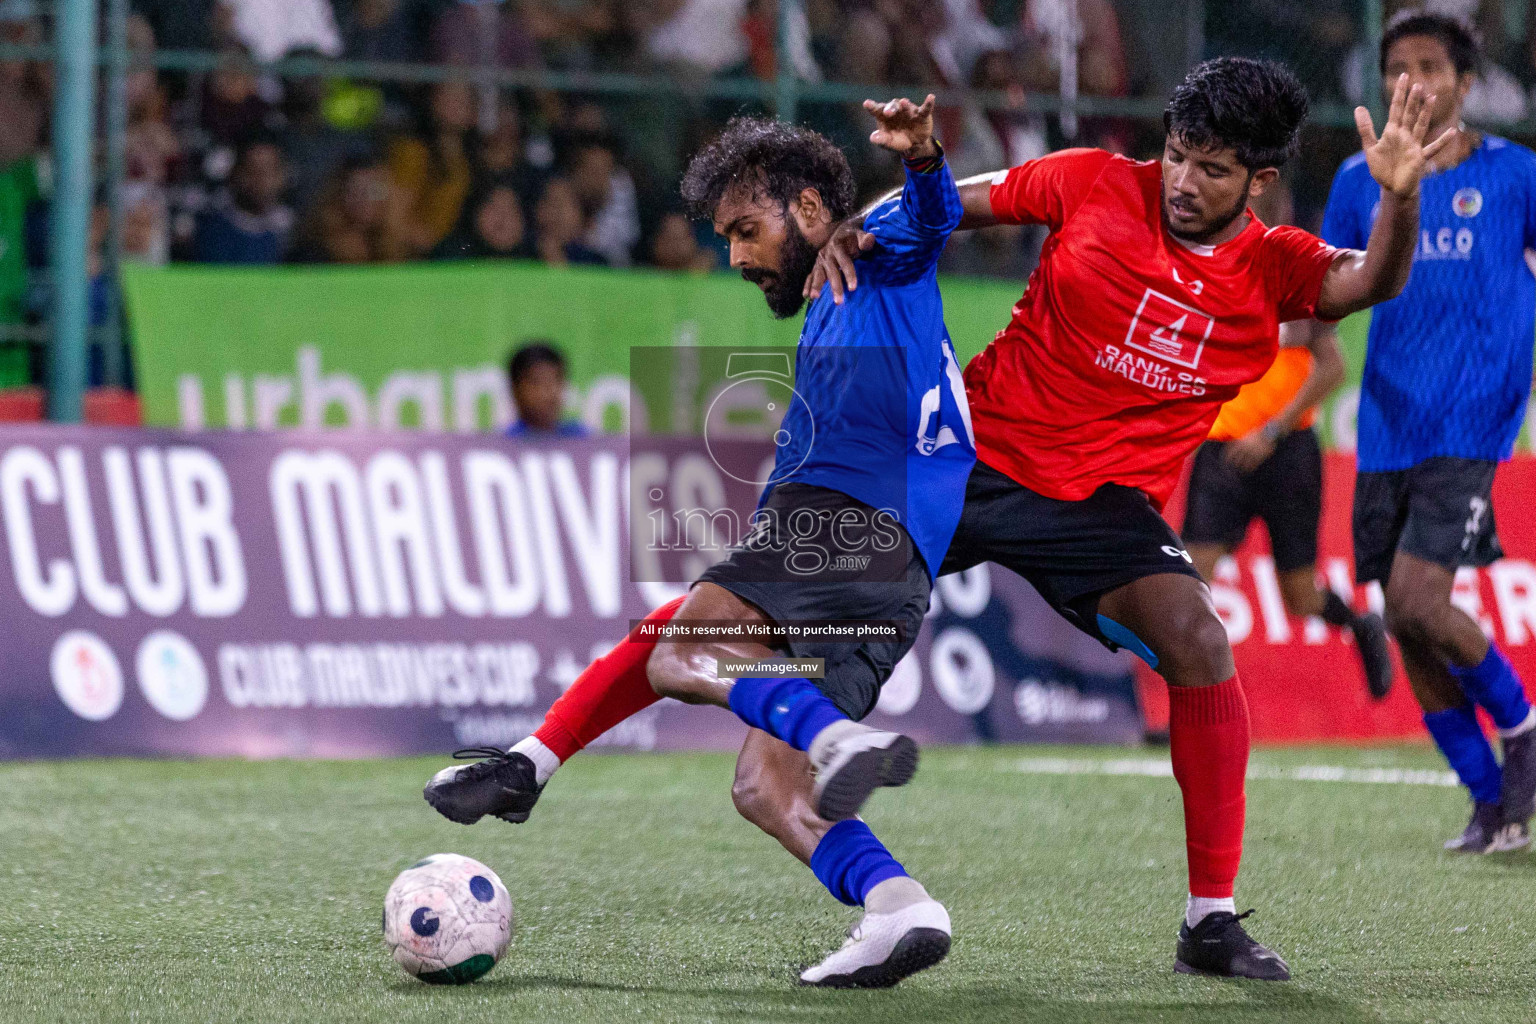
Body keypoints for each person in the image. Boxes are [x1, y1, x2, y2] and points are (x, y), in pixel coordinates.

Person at [426, 56, 1444, 983]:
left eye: (1212, 169)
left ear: (1258, 182)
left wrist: (1396, 198)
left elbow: (1370, 280)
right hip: (966, 466)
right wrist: (856, 233)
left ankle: (1209, 918)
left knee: (1197, 636)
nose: (1183, 181)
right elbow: (946, 204)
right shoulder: (1093, 179)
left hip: (1101, 508)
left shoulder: (1275, 266)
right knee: (733, 702)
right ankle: (806, 817)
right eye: (1177, 155)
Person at [428, 96, 976, 988]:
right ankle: (899, 905)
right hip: (897, 577)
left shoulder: (869, 254)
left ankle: (832, 738)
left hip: (842, 517)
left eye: (746, 228)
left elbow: (929, 218)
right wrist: (539, 756)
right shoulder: (839, 301)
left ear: (808, 210)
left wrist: (920, 159)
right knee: (763, 786)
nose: (734, 255)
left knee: (683, 648)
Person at [1317, 10, 1536, 855]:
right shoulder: (1352, 181)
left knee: (1418, 601)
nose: (1414, 81)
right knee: (1403, 619)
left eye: (1431, 67)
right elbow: (1328, 291)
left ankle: (1521, 729)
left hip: (1473, 419)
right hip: (1387, 424)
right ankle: (1490, 802)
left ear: (1466, 83)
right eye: (1398, 68)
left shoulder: (1516, 175)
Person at [1182, 184, 1393, 699]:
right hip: (1222, 451)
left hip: (1288, 452)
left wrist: (1271, 432)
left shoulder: (1294, 282)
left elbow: (1334, 369)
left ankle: (1361, 624)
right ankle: (1188, 705)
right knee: (1187, 585)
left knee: (1299, 597)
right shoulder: (1205, 278)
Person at [192, 136, 293, 264]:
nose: (262, 180)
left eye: (270, 171)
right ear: (235, 174)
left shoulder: (291, 231)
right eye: (253, 170)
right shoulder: (214, 235)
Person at [503, 342, 589, 437]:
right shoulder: (503, 442)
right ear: (515, 389)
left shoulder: (582, 437)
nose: (550, 393)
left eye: (556, 380)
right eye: (537, 382)